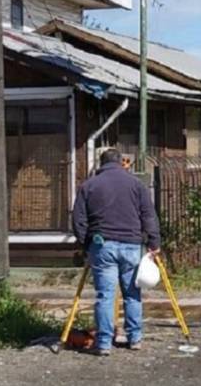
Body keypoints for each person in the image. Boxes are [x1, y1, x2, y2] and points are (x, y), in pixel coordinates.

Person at [73, 148, 160, 356]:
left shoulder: (88, 185)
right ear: (122, 162)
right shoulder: (136, 185)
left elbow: (78, 220)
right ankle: (135, 338)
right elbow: (149, 215)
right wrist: (154, 241)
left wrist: (86, 244)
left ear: (101, 164)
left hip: (102, 245)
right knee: (132, 293)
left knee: (105, 295)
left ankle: (103, 343)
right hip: (131, 244)